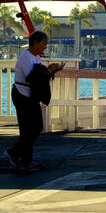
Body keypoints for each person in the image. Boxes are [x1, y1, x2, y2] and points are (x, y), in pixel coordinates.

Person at [4, 31, 63, 172]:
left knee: (36, 127)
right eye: (44, 44)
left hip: (31, 95)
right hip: (22, 94)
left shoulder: (36, 58)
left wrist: (51, 71)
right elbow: (33, 78)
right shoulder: (25, 57)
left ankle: (18, 156)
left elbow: (40, 78)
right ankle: (22, 159)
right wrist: (47, 72)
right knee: (27, 129)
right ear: (35, 42)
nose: (45, 47)